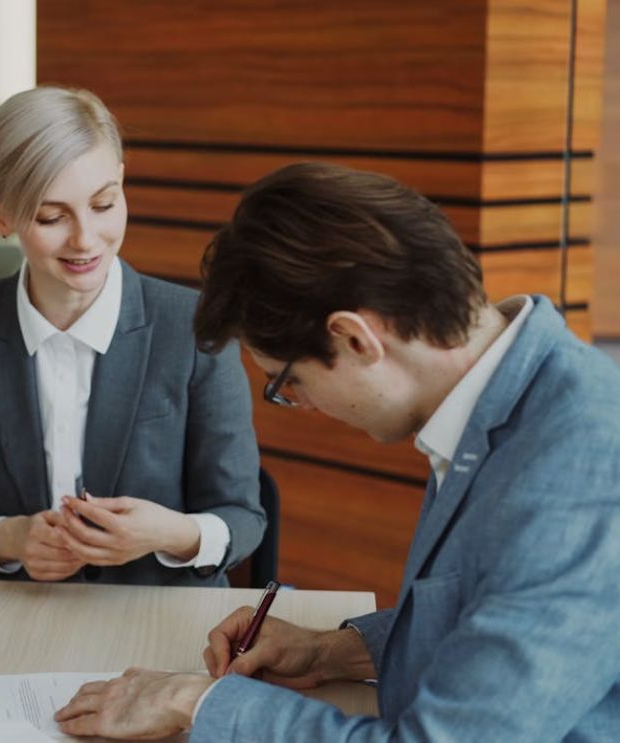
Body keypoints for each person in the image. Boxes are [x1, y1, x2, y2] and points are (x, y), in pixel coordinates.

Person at [54, 162, 620, 740]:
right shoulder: (509, 400)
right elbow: (490, 613)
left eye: (287, 382)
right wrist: (333, 651)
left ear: (355, 338)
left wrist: (196, 701)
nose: (300, 404)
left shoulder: (581, 471)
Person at [0, 86, 263, 586]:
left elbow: (244, 518)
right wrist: (9, 538)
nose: (85, 239)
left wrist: (168, 533)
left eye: (104, 204)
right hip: (18, 614)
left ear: (122, 185)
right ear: (1, 215)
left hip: (159, 613)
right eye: (52, 216)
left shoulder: (194, 328)